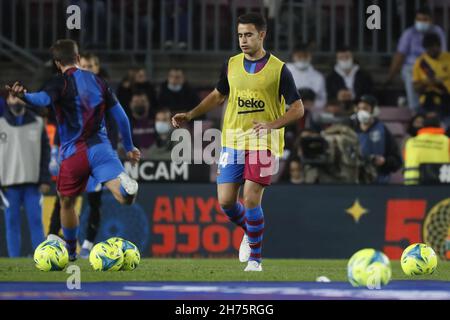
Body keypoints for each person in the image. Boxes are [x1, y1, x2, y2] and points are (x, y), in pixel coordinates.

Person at [172, 13, 304, 271]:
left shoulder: (279, 69)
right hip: (232, 140)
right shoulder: (231, 64)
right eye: (240, 35)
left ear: (262, 35)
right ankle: (250, 231)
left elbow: (297, 109)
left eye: (249, 35)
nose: (243, 40)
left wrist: (272, 125)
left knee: (251, 198)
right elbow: (217, 95)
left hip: (263, 142)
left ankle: (255, 259)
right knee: (226, 202)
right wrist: (190, 114)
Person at [5, 39, 141, 261]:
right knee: (124, 198)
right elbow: (122, 117)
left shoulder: (58, 83)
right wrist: (129, 147)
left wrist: (24, 96)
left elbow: (41, 100)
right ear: (78, 58)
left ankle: (69, 251)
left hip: (73, 154)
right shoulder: (100, 82)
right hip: (101, 149)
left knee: (66, 202)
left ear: (58, 63)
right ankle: (128, 188)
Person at [0, 93, 51, 257]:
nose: (16, 101)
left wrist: (44, 178)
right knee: (11, 223)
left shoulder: (37, 123)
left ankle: (41, 259)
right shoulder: (0, 124)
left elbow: (46, 153)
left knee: (36, 222)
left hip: (33, 184)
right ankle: (15, 261)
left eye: (19, 97)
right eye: (13, 97)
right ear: (8, 101)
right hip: (8, 184)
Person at [385, 6, 447, 112]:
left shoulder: (438, 32)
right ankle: (415, 110)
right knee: (411, 75)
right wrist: (390, 77)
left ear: (431, 20)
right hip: (413, 67)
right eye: (419, 19)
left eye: (425, 19)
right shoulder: (409, 33)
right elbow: (400, 55)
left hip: (434, 67)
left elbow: (443, 54)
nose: (421, 22)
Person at [353, 95, 402, 184]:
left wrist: (384, 161)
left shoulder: (383, 130)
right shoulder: (351, 130)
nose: (361, 112)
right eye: (359, 108)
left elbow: (397, 161)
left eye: (365, 108)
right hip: (355, 181)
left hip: (379, 182)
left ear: (374, 111)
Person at [412, 32, 450, 123]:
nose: (431, 50)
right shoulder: (421, 62)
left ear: (439, 46)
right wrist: (428, 82)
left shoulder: (448, 58)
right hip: (428, 102)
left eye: (433, 47)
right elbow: (416, 87)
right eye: (428, 48)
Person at [404, 116, 450, 185]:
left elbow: (405, 160)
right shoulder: (447, 142)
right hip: (441, 185)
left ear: (423, 126)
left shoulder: (410, 142)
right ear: (439, 126)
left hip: (413, 184)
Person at [285, 44, 326, 110]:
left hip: (311, 112)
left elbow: (322, 99)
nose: (302, 59)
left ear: (310, 56)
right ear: (293, 56)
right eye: (299, 56)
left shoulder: (318, 77)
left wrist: (313, 104)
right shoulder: (284, 72)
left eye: (305, 56)